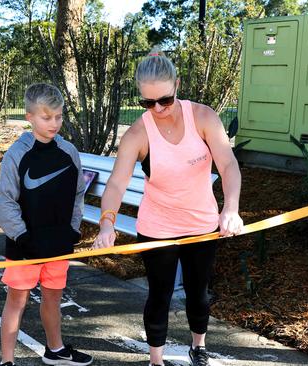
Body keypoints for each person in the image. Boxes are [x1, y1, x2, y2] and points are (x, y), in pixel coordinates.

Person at [92, 52, 244, 366]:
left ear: (177, 85)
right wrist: (107, 223)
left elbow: (228, 165)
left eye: (165, 99)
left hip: (201, 224)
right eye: (148, 103)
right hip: (157, 225)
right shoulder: (137, 134)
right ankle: (156, 360)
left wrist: (231, 208)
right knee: (159, 294)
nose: (158, 109)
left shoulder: (202, 117)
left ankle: (198, 346)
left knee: (198, 292)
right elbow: (117, 184)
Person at [0, 83, 93, 366]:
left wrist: (73, 230)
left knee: (53, 299)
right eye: (46, 117)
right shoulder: (17, 154)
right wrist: (23, 237)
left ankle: (55, 350)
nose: (54, 124)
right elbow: (5, 202)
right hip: (25, 248)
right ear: (29, 116)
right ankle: (7, 360)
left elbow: (77, 195)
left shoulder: (69, 151)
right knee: (17, 302)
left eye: (59, 117)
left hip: (58, 245)